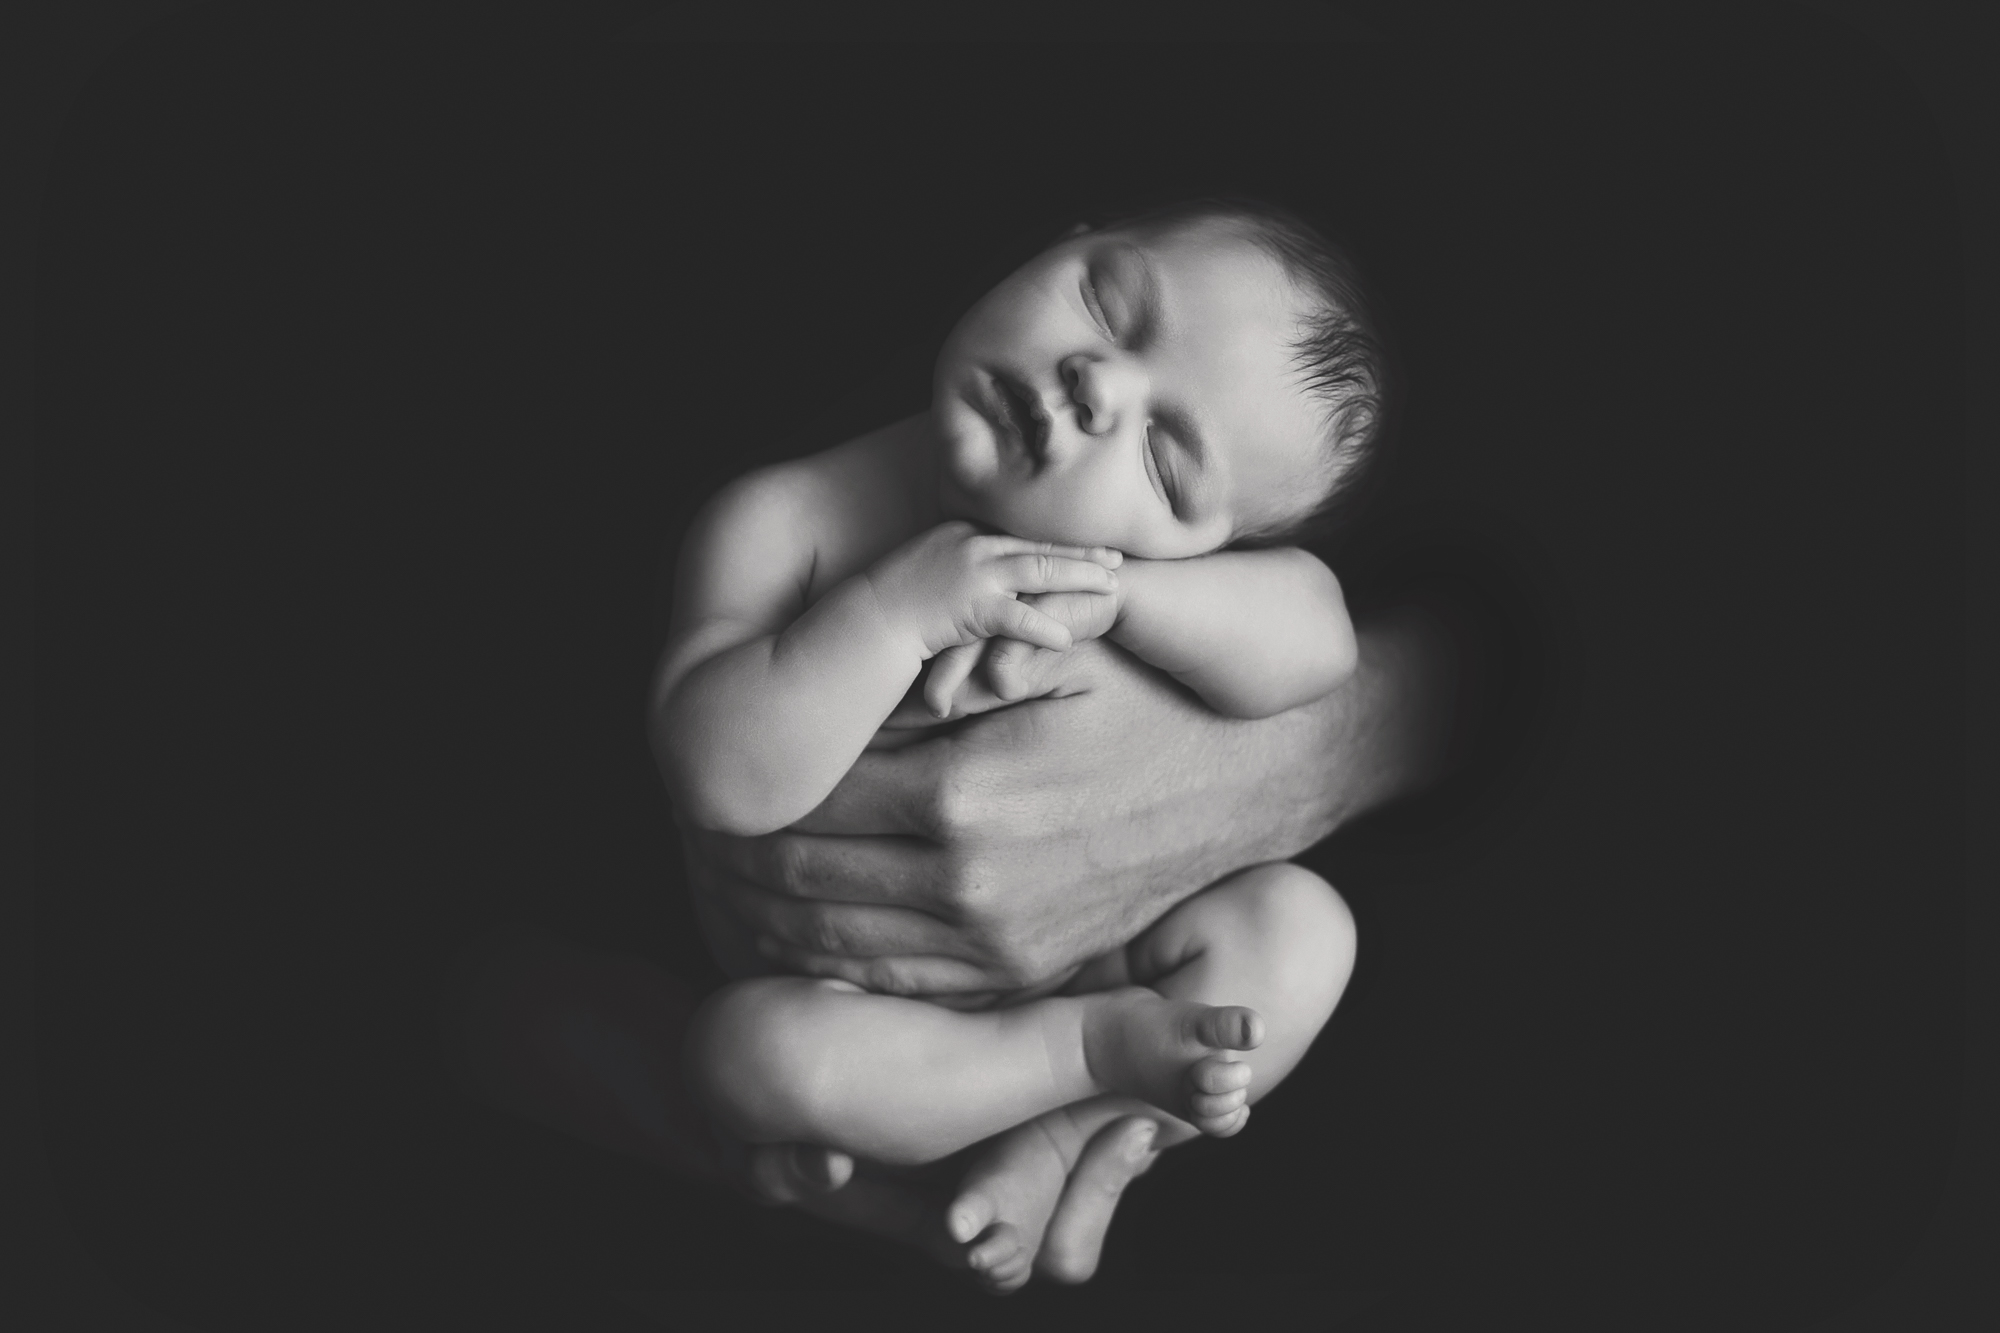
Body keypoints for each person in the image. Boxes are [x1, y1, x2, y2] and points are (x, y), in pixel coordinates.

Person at [442, 202, 1461, 1291]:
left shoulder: (1136, 580)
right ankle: (1070, 1061)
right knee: (747, 1060)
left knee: (1303, 934)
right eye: (1107, 303)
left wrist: (1120, 595)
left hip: (1100, 957)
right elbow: (717, 774)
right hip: (856, 1003)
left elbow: (1316, 639)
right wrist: (892, 615)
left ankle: (1074, 1137)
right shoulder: (785, 523)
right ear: (1062, 235)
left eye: (1165, 467)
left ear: (1213, 546)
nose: (1097, 385)